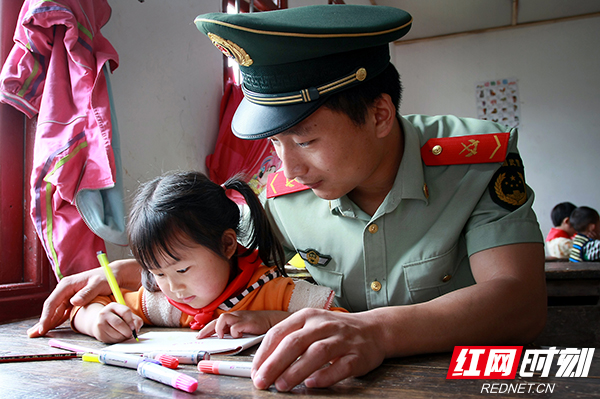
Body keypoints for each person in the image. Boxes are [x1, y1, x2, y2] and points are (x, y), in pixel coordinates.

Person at [28, 5, 547, 392]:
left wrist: (375, 333)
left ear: (380, 114)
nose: (289, 166)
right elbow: (221, 253)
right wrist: (133, 271)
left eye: (305, 140)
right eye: (276, 144)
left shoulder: (474, 160)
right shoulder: (281, 197)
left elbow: (519, 303)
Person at [69, 171, 344, 343]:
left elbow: (344, 324)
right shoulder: (170, 303)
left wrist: (271, 320)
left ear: (227, 245)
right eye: (159, 273)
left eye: (183, 270)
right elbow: (82, 307)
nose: (173, 287)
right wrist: (96, 321)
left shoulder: (278, 293)